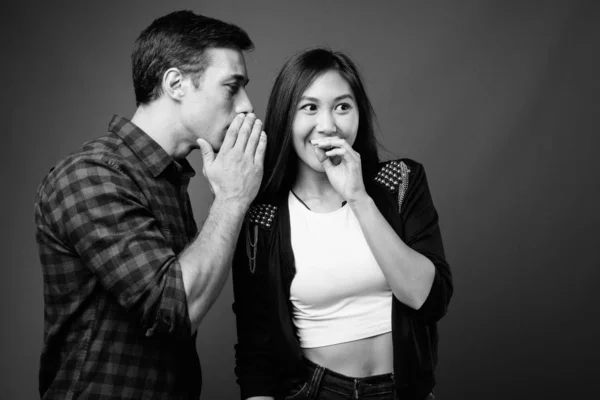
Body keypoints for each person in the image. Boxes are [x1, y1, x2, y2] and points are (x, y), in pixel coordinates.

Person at [34, 10, 266, 399]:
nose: (246, 106)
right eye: (232, 87)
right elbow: (174, 310)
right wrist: (231, 198)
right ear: (175, 83)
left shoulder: (169, 177)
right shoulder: (91, 175)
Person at [232, 48, 452, 400]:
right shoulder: (263, 217)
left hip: (404, 389)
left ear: (358, 114)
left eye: (342, 106)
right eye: (309, 107)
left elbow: (427, 300)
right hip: (315, 390)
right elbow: (256, 352)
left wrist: (358, 197)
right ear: (286, 118)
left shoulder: (400, 181)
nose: (328, 125)